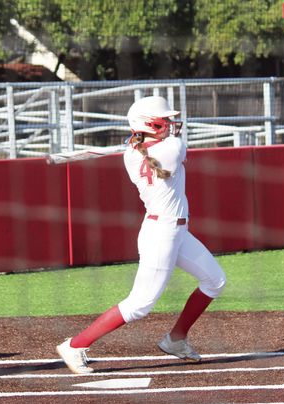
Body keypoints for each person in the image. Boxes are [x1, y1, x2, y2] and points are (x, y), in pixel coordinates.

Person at [57, 96, 226, 374]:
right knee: (140, 304)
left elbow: (155, 147)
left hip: (177, 231)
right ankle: (75, 345)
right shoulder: (172, 147)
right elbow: (173, 146)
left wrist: (142, 141)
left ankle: (176, 339)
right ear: (149, 123)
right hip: (161, 234)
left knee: (215, 280)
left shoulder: (133, 153)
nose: (170, 125)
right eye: (165, 121)